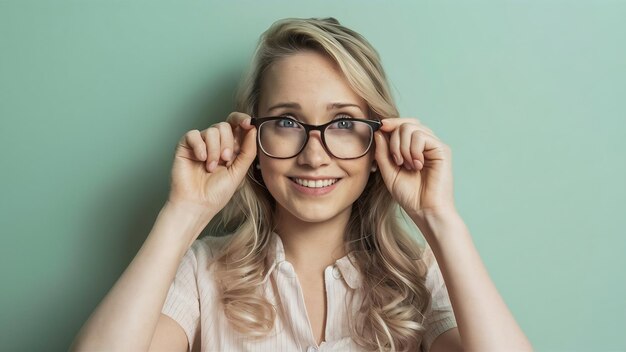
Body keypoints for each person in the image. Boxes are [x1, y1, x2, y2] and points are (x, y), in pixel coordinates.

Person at [70, 17, 532, 352]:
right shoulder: (202, 274)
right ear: (251, 136)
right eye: (288, 121)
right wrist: (183, 213)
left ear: (378, 143)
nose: (314, 155)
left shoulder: (419, 278)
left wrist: (439, 219)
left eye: (344, 122)